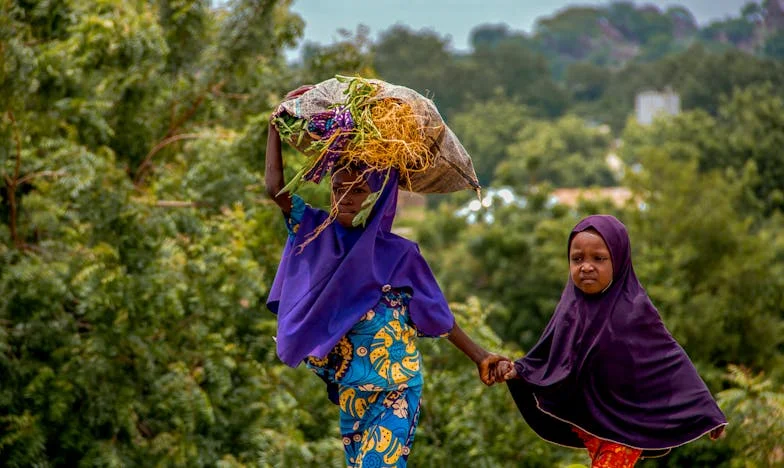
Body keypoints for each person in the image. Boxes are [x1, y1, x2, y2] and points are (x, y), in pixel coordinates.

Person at [265, 86, 502, 467]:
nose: (345, 198)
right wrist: (275, 126)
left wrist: (481, 356)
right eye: (339, 188)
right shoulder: (315, 233)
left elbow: (439, 318)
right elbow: (275, 189)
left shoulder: (401, 254)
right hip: (351, 388)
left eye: (358, 191)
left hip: (397, 386)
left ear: (379, 197)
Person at [493, 215, 727, 467]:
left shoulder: (636, 311)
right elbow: (548, 354)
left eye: (599, 258)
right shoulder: (570, 308)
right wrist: (518, 370)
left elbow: (671, 362)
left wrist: (707, 413)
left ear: (618, 259)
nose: (586, 266)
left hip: (628, 426)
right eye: (577, 259)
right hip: (590, 422)